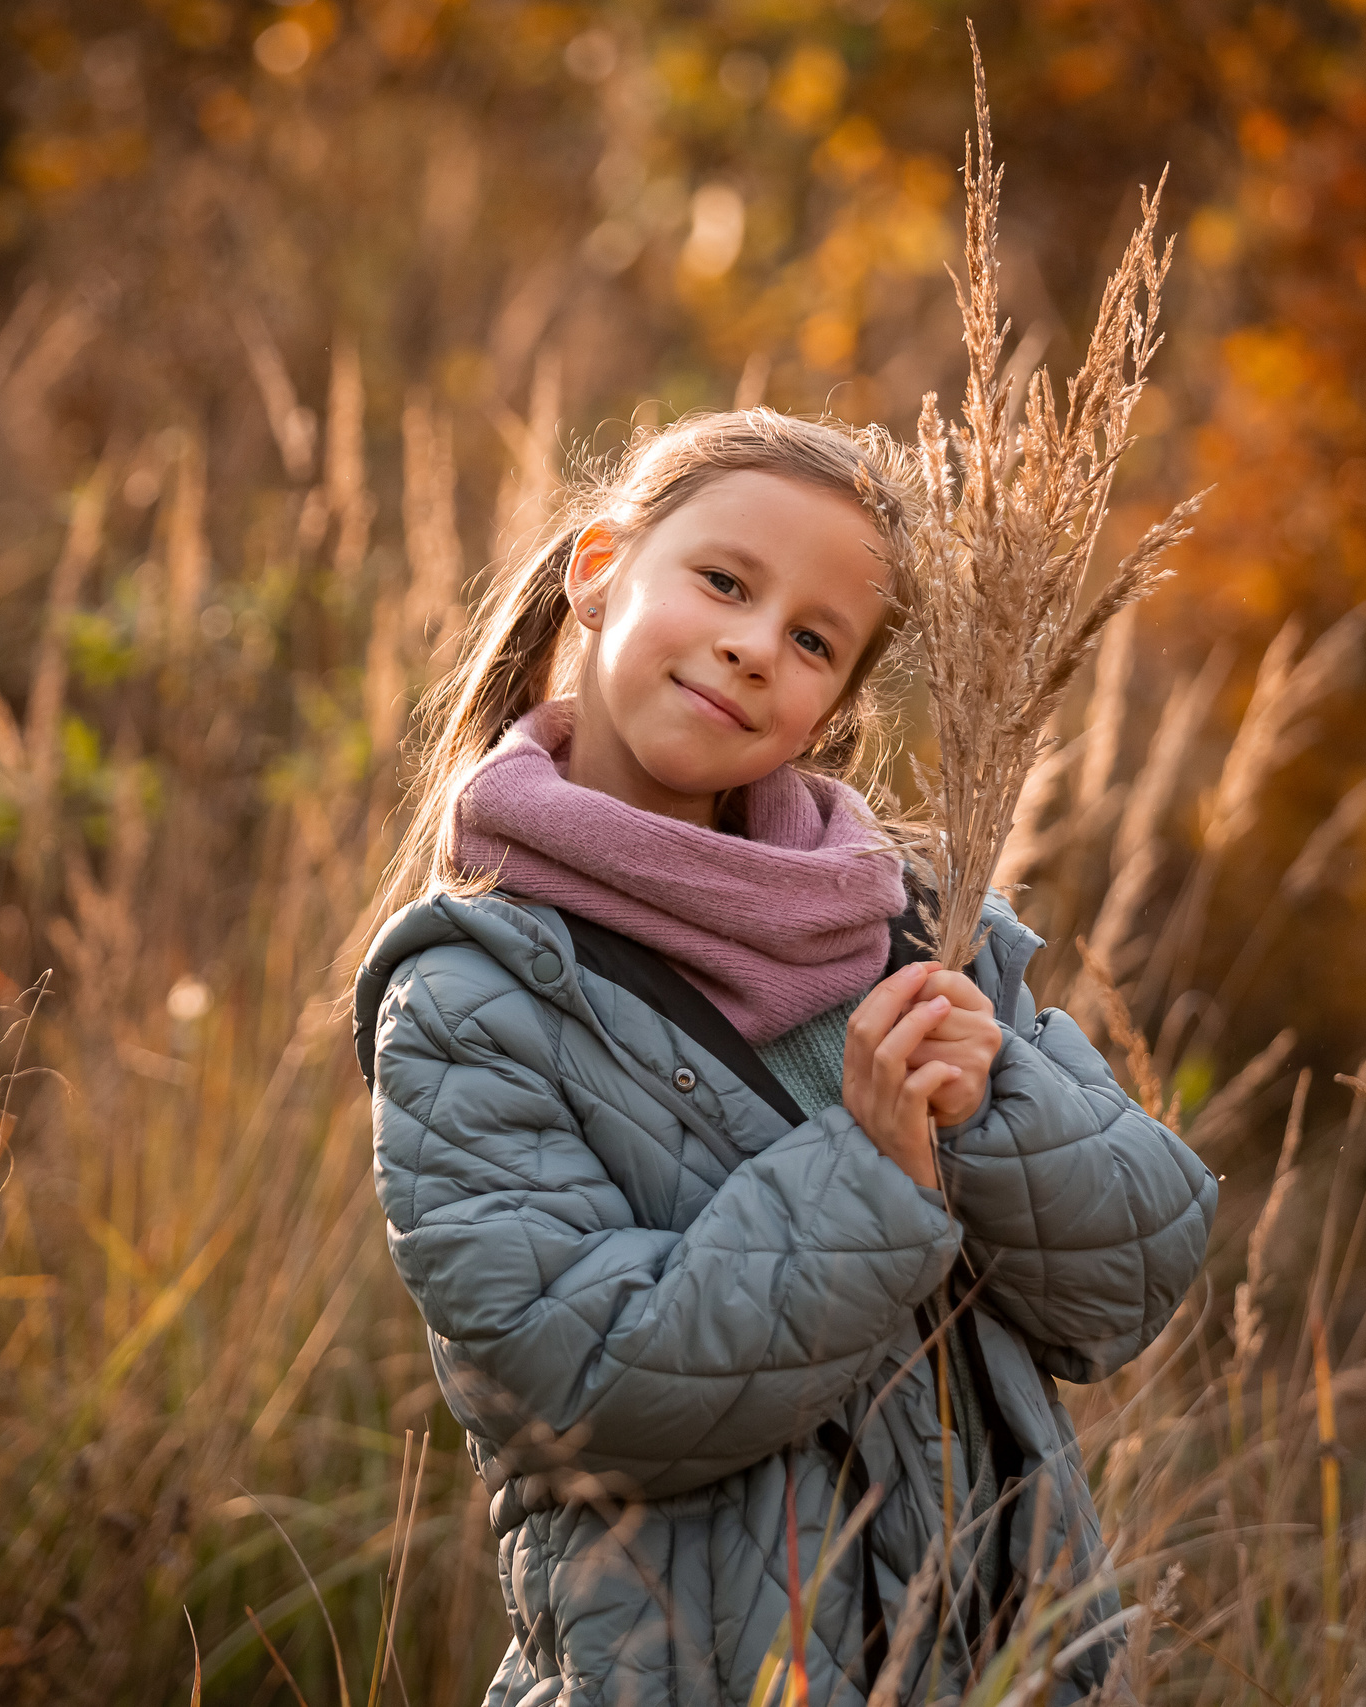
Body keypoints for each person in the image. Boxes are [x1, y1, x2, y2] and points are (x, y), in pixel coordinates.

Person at [352, 408, 1215, 1705]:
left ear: (831, 706)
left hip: (1000, 1675)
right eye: (724, 582)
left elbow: (1131, 1283)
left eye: (813, 640)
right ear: (598, 571)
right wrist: (872, 1173)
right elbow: (580, 1387)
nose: (754, 647)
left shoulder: (917, 927)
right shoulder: (473, 996)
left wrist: (1001, 1106)